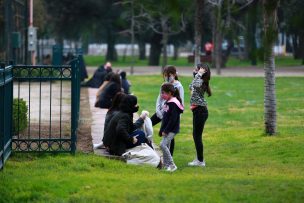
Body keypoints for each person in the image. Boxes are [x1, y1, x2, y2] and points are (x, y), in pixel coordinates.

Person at [150, 65, 184, 156]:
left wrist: (177, 117)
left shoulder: (179, 86)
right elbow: (159, 98)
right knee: (148, 123)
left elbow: (181, 103)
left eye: (168, 75)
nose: (166, 77)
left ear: (173, 74)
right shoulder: (164, 84)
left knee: (169, 135)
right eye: (164, 75)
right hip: (160, 112)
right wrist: (158, 110)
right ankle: (148, 145)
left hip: (170, 114)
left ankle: (170, 157)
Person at [188, 63, 212, 167]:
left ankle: (200, 161)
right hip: (198, 111)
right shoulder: (199, 80)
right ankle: (199, 158)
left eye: (196, 70)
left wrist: (199, 74)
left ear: (202, 72)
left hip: (200, 111)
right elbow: (191, 86)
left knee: (197, 136)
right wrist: (197, 75)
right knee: (196, 135)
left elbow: (195, 85)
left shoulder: (201, 82)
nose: (194, 70)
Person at [159, 83, 184, 172]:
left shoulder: (174, 103)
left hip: (172, 129)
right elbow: (165, 118)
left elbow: (173, 120)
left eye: (163, 93)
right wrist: (161, 129)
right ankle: (166, 165)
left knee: (162, 145)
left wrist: (166, 130)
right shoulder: (168, 102)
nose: (162, 95)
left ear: (170, 93)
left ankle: (172, 165)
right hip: (167, 129)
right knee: (166, 146)